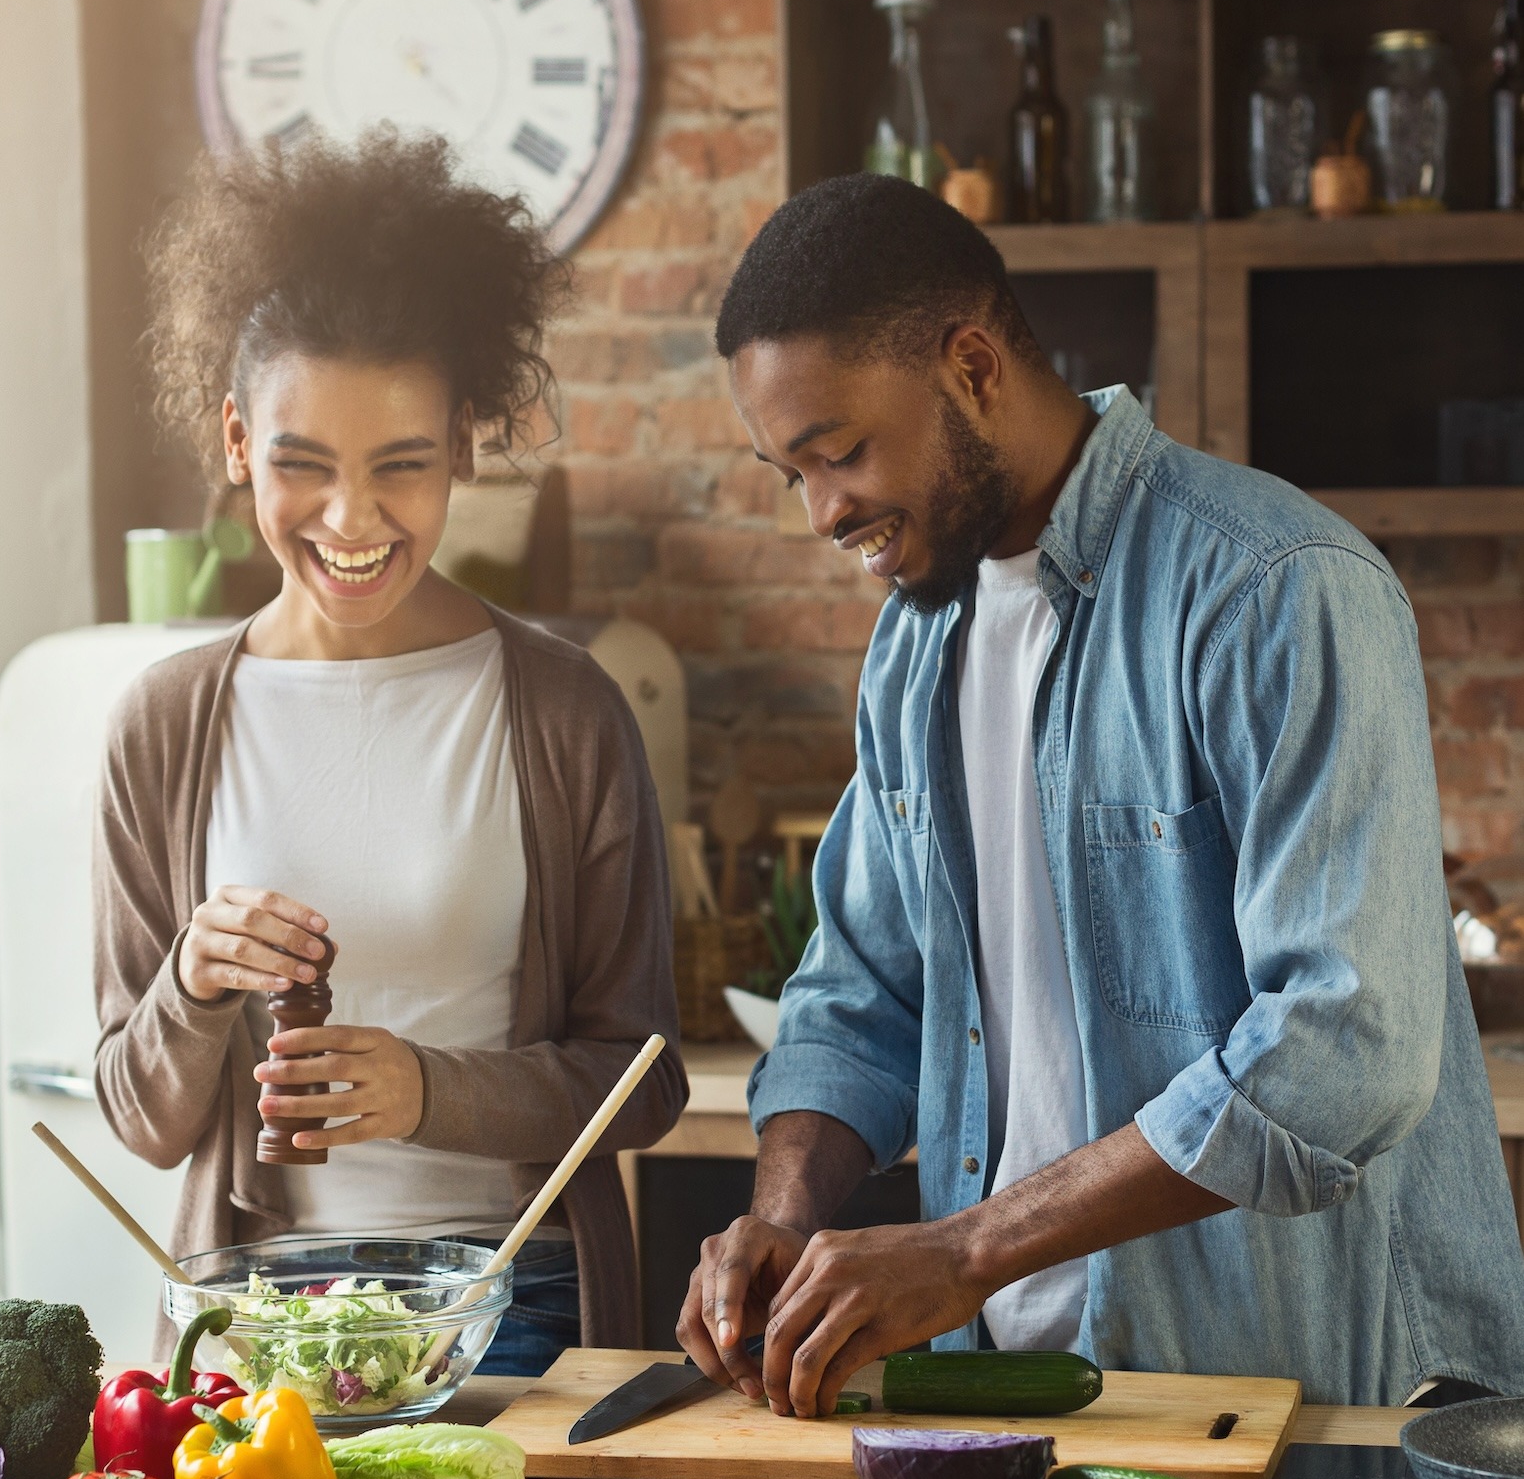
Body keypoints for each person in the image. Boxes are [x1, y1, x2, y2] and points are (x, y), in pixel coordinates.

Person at [676, 172, 1524, 1412]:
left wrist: (963, 1250)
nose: (821, 513)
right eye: (785, 472)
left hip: (1297, 1395)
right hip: (998, 1385)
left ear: (971, 365)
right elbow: (859, 993)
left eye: (841, 451)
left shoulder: (1273, 589)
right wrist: (783, 1220)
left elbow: (1344, 1049)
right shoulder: (915, 645)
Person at [93, 131, 683, 1374]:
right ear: (239, 440)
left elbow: (647, 1080)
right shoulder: (162, 726)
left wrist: (429, 1091)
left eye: (401, 467)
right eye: (302, 466)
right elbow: (140, 1117)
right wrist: (193, 987)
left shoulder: (566, 712)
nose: (352, 521)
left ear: (464, 442)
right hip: (254, 1320)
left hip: (512, 1304)